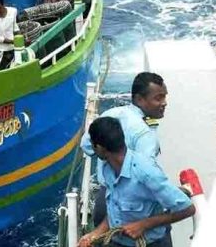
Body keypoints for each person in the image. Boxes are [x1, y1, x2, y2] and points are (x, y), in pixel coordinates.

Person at [78, 117, 195, 247]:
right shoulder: (107, 168)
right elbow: (115, 211)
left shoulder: (146, 173)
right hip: (118, 241)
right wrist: (94, 234)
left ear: (99, 148)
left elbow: (188, 209)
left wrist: (143, 225)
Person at [80, 72, 168, 225]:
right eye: (158, 98)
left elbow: (86, 145)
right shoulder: (144, 133)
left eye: (165, 96)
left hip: (105, 198)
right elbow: (146, 175)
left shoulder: (111, 114)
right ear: (139, 99)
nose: (164, 102)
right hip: (134, 208)